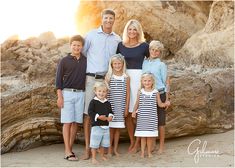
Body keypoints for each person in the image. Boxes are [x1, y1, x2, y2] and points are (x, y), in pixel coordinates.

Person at [81, 9, 121, 160]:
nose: (108, 21)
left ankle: (101, 148)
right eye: (106, 18)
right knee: (88, 113)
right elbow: (84, 53)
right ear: (102, 19)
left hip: (107, 79)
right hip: (92, 78)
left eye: (111, 18)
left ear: (114, 20)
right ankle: (87, 148)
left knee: (105, 112)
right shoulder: (91, 34)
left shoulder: (117, 38)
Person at [116, 19, 149, 152]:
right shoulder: (120, 45)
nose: (132, 32)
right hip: (124, 80)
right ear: (126, 31)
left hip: (139, 80)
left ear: (138, 31)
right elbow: (116, 62)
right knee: (128, 114)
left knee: (139, 113)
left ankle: (139, 143)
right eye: (130, 29)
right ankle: (132, 141)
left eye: (135, 29)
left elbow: (150, 61)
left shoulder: (144, 46)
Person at [55, 35, 87, 161]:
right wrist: (60, 97)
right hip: (67, 93)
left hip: (81, 94)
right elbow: (58, 81)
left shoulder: (85, 60)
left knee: (75, 123)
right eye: (74, 45)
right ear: (70, 45)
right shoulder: (64, 60)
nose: (76, 47)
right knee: (67, 122)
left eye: (79, 45)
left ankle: (70, 149)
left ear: (82, 47)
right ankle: (67, 151)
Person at [132, 73, 170, 158]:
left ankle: (149, 152)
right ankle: (142, 153)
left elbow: (159, 104)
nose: (147, 82)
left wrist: (166, 103)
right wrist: (134, 111)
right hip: (142, 118)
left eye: (149, 81)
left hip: (151, 119)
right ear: (142, 81)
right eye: (145, 81)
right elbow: (137, 103)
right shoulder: (140, 92)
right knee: (143, 136)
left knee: (149, 137)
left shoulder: (155, 92)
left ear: (152, 82)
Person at [142, 40, 170, 154]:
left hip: (160, 93)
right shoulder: (144, 63)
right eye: (152, 49)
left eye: (157, 51)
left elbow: (167, 81)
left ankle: (162, 146)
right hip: (147, 95)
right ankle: (151, 144)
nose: (154, 52)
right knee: (150, 121)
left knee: (161, 122)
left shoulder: (161, 64)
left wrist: (167, 98)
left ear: (160, 53)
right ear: (149, 50)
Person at [105, 54, 130, 156]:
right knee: (111, 129)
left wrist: (126, 107)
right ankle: (109, 149)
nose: (117, 65)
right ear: (111, 65)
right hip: (111, 107)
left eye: (119, 63)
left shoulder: (126, 77)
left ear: (123, 64)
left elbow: (128, 93)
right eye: (115, 63)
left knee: (118, 129)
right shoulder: (108, 76)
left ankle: (115, 149)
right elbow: (105, 94)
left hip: (121, 107)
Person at [88, 82, 114, 164]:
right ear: (95, 91)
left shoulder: (107, 103)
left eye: (103, 91)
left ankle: (102, 155)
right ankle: (94, 158)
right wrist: (98, 117)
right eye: (99, 91)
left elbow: (110, 112)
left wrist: (110, 117)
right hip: (96, 126)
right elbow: (90, 112)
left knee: (103, 143)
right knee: (94, 144)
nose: (101, 93)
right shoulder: (93, 102)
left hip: (106, 127)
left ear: (106, 93)